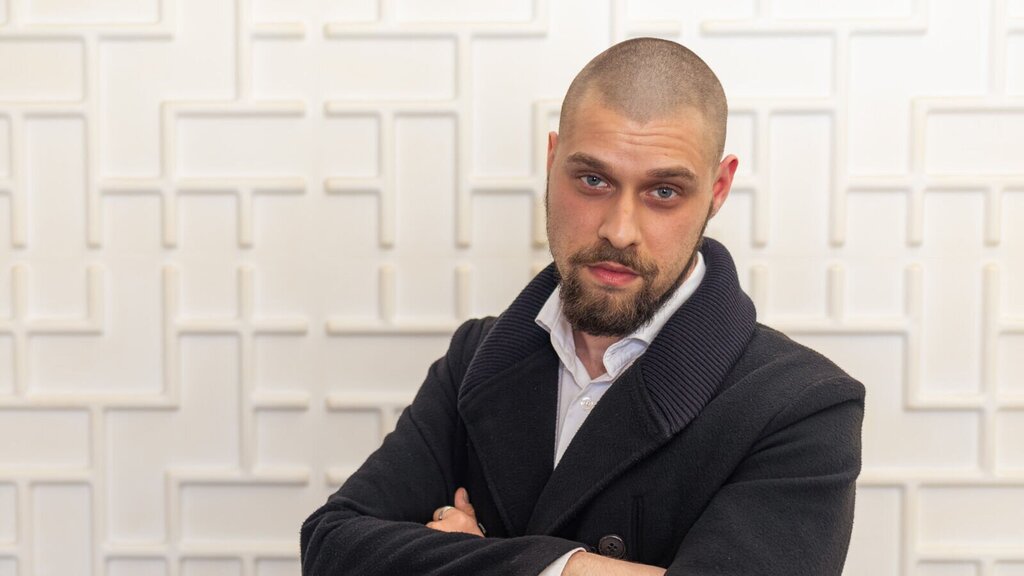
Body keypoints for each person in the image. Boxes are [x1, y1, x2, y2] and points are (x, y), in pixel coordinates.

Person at [300, 37, 865, 576]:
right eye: (593, 180)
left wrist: (489, 560)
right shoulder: (476, 356)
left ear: (717, 190)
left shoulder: (803, 404)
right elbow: (332, 547)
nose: (619, 230)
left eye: (664, 192)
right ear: (552, 162)